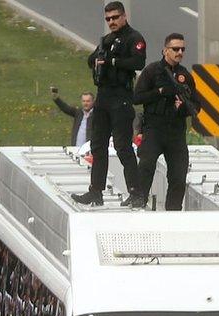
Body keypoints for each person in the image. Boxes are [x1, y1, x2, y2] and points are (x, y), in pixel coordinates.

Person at [72, 1, 145, 207]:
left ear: (123, 16)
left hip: (120, 98)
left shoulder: (134, 38)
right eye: (108, 19)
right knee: (98, 145)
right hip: (103, 97)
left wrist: (113, 61)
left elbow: (138, 62)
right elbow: (91, 58)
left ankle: (136, 192)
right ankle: (96, 191)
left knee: (122, 146)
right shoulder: (106, 40)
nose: (111, 22)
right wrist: (97, 60)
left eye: (115, 17)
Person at [130, 33, 200, 210]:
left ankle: (173, 212)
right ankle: (139, 201)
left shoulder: (185, 76)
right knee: (146, 166)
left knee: (178, 175)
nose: (180, 53)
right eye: (175, 49)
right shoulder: (152, 71)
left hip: (176, 131)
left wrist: (182, 107)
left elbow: (196, 105)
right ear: (165, 50)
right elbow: (137, 97)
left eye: (182, 49)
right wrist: (160, 92)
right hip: (154, 127)